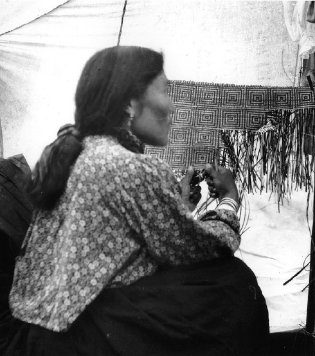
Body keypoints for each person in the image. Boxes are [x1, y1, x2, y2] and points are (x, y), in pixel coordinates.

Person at [5, 46, 268, 355]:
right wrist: (228, 200)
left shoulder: (76, 152)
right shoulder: (131, 167)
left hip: (35, 333)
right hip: (76, 341)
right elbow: (206, 247)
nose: (172, 106)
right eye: (166, 92)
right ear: (130, 103)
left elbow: (115, 241)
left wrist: (176, 204)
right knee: (231, 281)